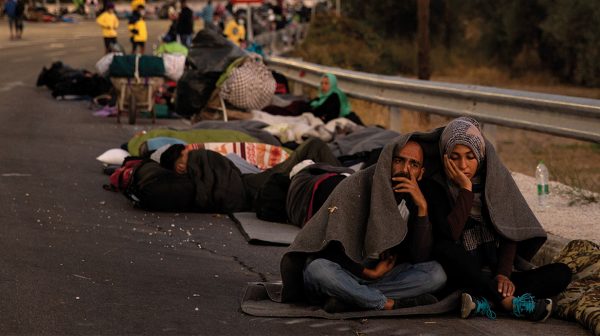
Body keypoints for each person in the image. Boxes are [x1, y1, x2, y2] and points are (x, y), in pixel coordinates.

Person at [428, 117, 572, 321]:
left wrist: (504, 274)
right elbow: (451, 234)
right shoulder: (436, 186)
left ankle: (484, 301)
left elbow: (509, 231)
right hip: (462, 276)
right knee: (444, 247)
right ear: (445, 157)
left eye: (470, 157)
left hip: (494, 274)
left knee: (561, 273)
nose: (463, 165)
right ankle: (506, 302)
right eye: (455, 157)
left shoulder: (495, 180)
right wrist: (465, 191)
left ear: (481, 156)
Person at [279, 137, 447, 313]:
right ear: (387, 162)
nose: (405, 169)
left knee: (436, 274)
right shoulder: (357, 186)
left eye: (413, 164)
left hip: (384, 278)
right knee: (318, 270)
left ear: (420, 172)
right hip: (348, 272)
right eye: (399, 160)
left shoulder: (418, 198)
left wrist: (422, 208)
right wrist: (368, 272)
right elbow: (328, 247)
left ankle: (351, 299)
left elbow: (420, 256)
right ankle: (386, 303)